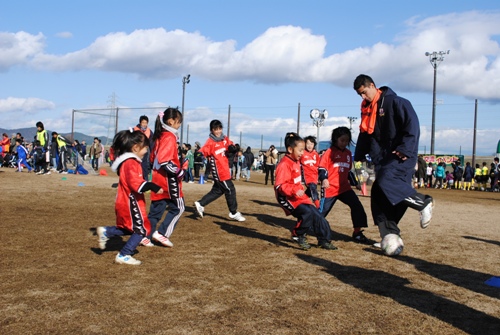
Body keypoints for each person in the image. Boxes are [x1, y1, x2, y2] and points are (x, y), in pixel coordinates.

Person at [352, 74, 434, 246]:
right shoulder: (367, 110)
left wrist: (405, 148)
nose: (363, 97)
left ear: (373, 86)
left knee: (386, 182)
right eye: (360, 94)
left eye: (364, 92)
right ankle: (390, 236)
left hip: (401, 156)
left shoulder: (396, 102)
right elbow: (365, 136)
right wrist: (359, 160)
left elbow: (412, 125)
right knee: (379, 194)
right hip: (382, 159)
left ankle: (423, 202)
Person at [97, 129, 163, 265]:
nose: (146, 151)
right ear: (136, 148)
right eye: (145, 148)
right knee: (142, 228)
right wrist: (153, 186)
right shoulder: (132, 163)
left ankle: (107, 232)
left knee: (128, 227)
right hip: (130, 202)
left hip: (123, 201)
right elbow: (136, 185)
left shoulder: (128, 162)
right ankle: (124, 254)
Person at [274, 132, 337, 250]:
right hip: (286, 197)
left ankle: (324, 240)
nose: (302, 153)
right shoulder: (284, 164)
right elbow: (279, 186)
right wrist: (294, 190)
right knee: (307, 213)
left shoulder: (297, 161)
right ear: (290, 149)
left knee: (317, 214)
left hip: (297, 194)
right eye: (300, 150)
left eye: (303, 150)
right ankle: (298, 234)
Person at [319, 126, 370, 244]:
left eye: (347, 141)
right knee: (321, 212)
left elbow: (348, 172)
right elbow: (322, 168)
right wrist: (324, 179)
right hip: (330, 188)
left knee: (357, 206)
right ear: (335, 139)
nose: (344, 143)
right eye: (342, 140)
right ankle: (303, 229)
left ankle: (357, 233)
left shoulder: (348, 153)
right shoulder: (329, 152)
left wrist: (355, 183)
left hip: (344, 188)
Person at [193, 120, 246, 222]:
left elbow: (231, 146)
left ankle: (200, 204)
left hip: (225, 169)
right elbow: (202, 152)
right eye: (215, 129)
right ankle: (233, 212)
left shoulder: (224, 139)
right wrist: (199, 155)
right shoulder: (210, 142)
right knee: (230, 189)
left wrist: (233, 148)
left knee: (217, 191)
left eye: (219, 129)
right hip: (219, 171)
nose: (218, 131)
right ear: (212, 130)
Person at [147, 108, 185, 248]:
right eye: (178, 121)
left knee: (155, 212)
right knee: (179, 207)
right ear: (170, 121)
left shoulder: (159, 135)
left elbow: (152, 159)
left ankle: (145, 236)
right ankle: (162, 234)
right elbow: (164, 161)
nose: (179, 124)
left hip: (157, 179)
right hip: (168, 180)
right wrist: (178, 171)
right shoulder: (169, 136)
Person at [300, 136, 320, 208]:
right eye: (308, 143)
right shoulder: (302, 153)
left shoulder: (316, 154)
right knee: (312, 188)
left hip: (315, 176)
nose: (309, 146)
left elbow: (318, 165)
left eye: (311, 144)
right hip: (307, 177)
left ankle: (301, 201)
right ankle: (318, 206)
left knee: (310, 190)